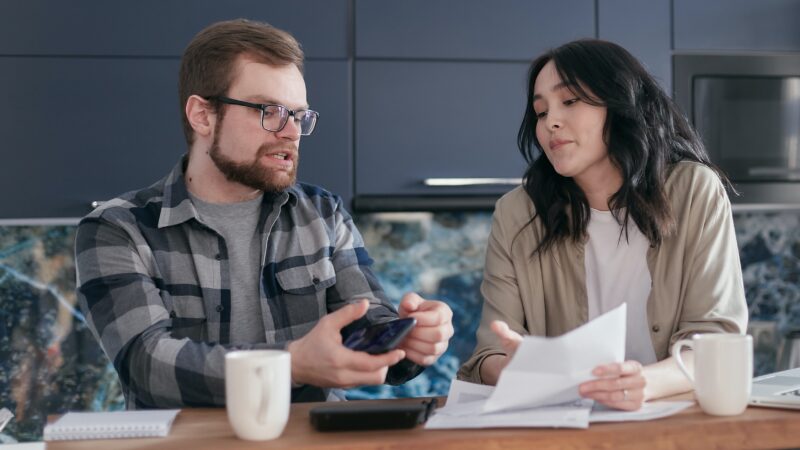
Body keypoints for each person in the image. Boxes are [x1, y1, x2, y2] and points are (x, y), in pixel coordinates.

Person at [75, 19, 453, 409]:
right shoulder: (117, 229)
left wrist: (409, 339)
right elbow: (146, 365)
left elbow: (365, 322)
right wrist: (289, 365)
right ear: (202, 115)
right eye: (269, 111)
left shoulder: (322, 213)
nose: (290, 132)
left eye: (299, 115)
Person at [457, 39, 747, 411]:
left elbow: (717, 340)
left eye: (569, 101)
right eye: (541, 112)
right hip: (564, 428)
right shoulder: (517, 213)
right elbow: (490, 354)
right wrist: (522, 368)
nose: (550, 123)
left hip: (671, 422)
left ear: (620, 103)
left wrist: (646, 383)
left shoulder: (693, 190)